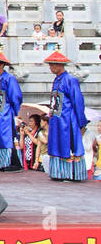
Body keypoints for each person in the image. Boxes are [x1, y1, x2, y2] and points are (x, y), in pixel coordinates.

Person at [44, 50, 88, 181]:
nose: (51, 67)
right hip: (57, 120)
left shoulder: (70, 80)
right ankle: (59, 173)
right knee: (56, 143)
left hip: (67, 120)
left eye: (53, 65)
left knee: (68, 144)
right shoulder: (56, 80)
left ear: (60, 65)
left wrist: (81, 121)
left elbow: (78, 101)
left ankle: (72, 174)